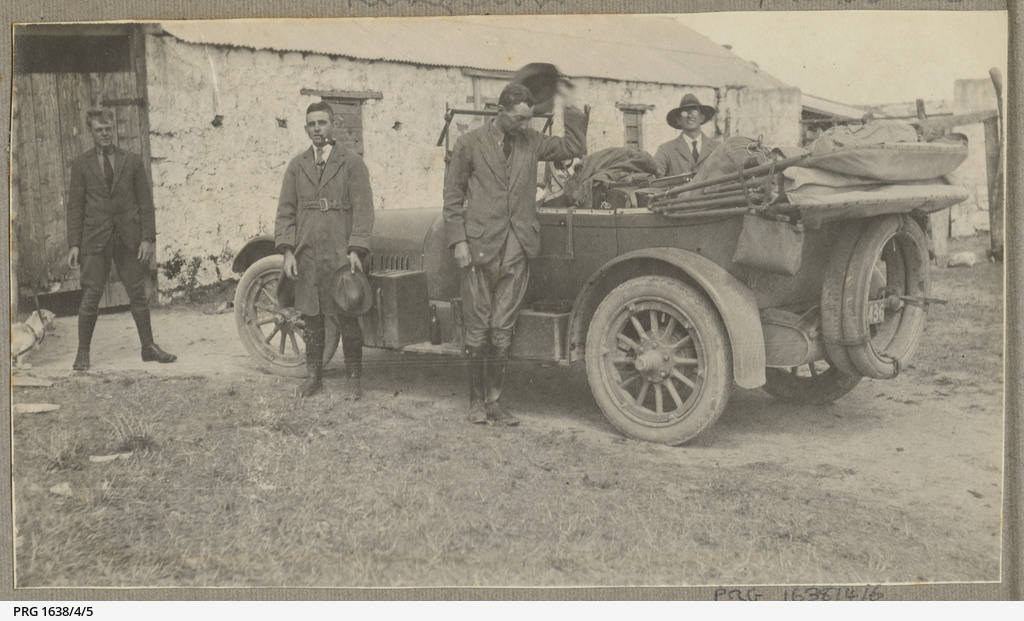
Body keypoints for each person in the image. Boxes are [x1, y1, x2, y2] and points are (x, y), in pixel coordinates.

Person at [443, 83, 588, 426]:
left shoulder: (532, 141)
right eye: (519, 119)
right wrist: (458, 242)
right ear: (500, 110)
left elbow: (574, 146)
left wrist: (572, 107)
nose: (525, 125)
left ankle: (495, 402)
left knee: (502, 329)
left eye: (529, 119)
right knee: (478, 330)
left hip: (517, 249)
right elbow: (451, 197)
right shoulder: (468, 144)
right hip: (478, 249)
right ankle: (476, 402)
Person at [275, 101, 374, 398]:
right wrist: (288, 251)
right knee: (312, 318)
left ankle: (354, 380)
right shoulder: (297, 165)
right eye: (311, 124)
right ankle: (313, 377)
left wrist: (356, 248)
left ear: (333, 126)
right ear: (306, 128)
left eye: (322, 123)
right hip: (307, 253)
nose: (317, 129)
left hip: (340, 252)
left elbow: (364, 210)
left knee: (347, 317)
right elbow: (285, 211)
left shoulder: (352, 162)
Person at [66, 108, 176, 371]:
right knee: (91, 295)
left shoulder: (132, 161)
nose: (104, 134)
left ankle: (148, 347)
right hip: (95, 238)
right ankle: (83, 353)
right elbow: (75, 207)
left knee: (138, 293)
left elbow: (145, 203)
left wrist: (147, 238)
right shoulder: (81, 165)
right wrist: (74, 244)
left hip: (129, 237)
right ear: (90, 132)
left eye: (108, 129)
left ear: (113, 129)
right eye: (98, 130)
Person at [653, 94, 721, 178]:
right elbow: (655, 175)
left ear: (702, 118)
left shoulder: (718, 148)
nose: (690, 116)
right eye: (684, 113)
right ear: (678, 120)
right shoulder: (666, 150)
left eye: (694, 112)